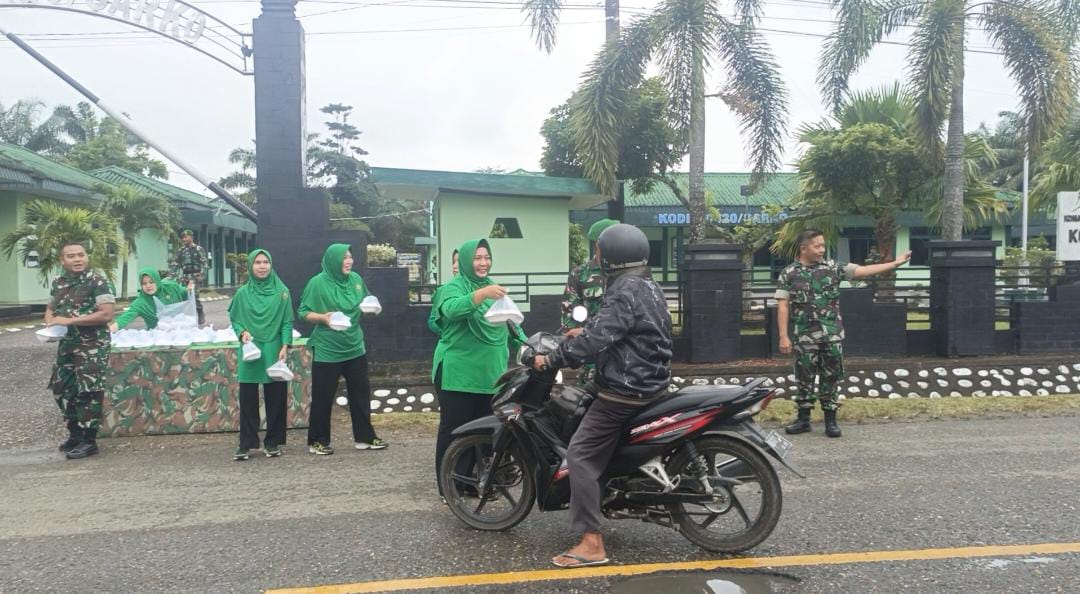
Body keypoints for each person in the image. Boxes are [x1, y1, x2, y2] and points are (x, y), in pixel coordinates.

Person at [532, 224, 672, 568]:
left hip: (625, 388)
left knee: (579, 455)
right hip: (649, 380)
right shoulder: (647, 284)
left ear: (612, 256)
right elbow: (617, 329)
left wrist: (551, 359)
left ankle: (591, 543)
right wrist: (585, 331)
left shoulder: (623, 289)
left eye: (599, 251)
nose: (596, 256)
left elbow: (597, 340)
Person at [776, 229, 911, 438]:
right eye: (817, 246)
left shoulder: (833, 268)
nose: (821, 249)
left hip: (832, 335)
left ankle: (831, 421)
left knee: (831, 377)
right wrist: (783, 336)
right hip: (804, 336)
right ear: (804, 248)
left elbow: (863, 271)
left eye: (823, 245)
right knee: (804, 378)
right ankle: (803, 420)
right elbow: (783, 305)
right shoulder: (789, 273)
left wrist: (895, 263)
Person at [430, 239, 521, 497]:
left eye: (487, 257)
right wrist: (482, 294)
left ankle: (471, 483)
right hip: (458, 374)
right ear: (467, 261)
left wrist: (530, 346)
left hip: (490, 375)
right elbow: (451, 310)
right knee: (454, 431)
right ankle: (448, 487)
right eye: (477, 258)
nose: (483, 263)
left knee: (483, 432)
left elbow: (511, 324)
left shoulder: (493, 288)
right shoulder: (452, 288)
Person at [298, 244, 386, 455]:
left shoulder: (355, 280)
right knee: (323, 397)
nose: (349, 261)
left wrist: (372, 308)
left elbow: (366, 301)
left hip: (354, 346)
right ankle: (318, 440)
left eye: (350, 257)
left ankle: (365, 437)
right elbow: (303, 312)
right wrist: (323, 318)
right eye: (344, 258)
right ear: (333, 260)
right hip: (327, 349)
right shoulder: (317, 283)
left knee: (361, 394)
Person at [45, 241, 117, 460]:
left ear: (87, 256)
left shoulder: (98, 281)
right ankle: (75, 434)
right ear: (62, 260)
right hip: (67, 344)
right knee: (61, 388)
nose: (77, 259)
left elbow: (106, 314)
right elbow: (50, 308)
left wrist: (69, 321)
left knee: (89, 391)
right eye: (71, 256)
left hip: (92, 345)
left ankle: (89, 440)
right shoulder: (59, 282)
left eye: (81, 255)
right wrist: (50, 324)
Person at [228, 249, 294, 461]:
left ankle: (272, 442)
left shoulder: (282, 292)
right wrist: (242, 333)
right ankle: (246, 443)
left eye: (266, 262)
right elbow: (235, 319)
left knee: (276, 397)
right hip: (251, 349)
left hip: (274, 348)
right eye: (258, 262)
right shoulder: (242, 294)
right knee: (248, 398)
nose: (263, 266)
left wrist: (285, 345)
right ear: (251, 266)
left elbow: (287, 322)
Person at [561, 218, 618, 385]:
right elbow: (569, 314)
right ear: (598, 244)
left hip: (622, 357)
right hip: (592, 357)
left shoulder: (627, 274)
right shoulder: (580, 274)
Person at [109, 268, 192, 332]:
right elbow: (124, 319)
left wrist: (190, 290)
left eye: (151, 282)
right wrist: (109, 331)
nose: (148, 286)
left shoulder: (171, 288)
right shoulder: (140, 303)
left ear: (157, 281)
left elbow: (186, 293)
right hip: (158, 337)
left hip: (182, 331)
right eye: (144, 283)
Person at [171, 229, 208, 326]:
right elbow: (175, 264)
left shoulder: (198, 249)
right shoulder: (181, 251)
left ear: (191, 237)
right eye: (183, 237)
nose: (184, 239)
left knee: (194, 295)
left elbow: (204, 263)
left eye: (186, 237)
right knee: (184, 295)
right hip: (185, 276)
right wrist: (172, 275)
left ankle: (200, 313)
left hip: (195, 276)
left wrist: (202, 275)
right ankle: (187, 316)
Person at [427, 249, 459, 336]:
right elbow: (432, 321)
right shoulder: (443, 290)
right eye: (454, 262)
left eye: (459, 262)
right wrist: (448, 333)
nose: (454, 266)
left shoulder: (483, 290)